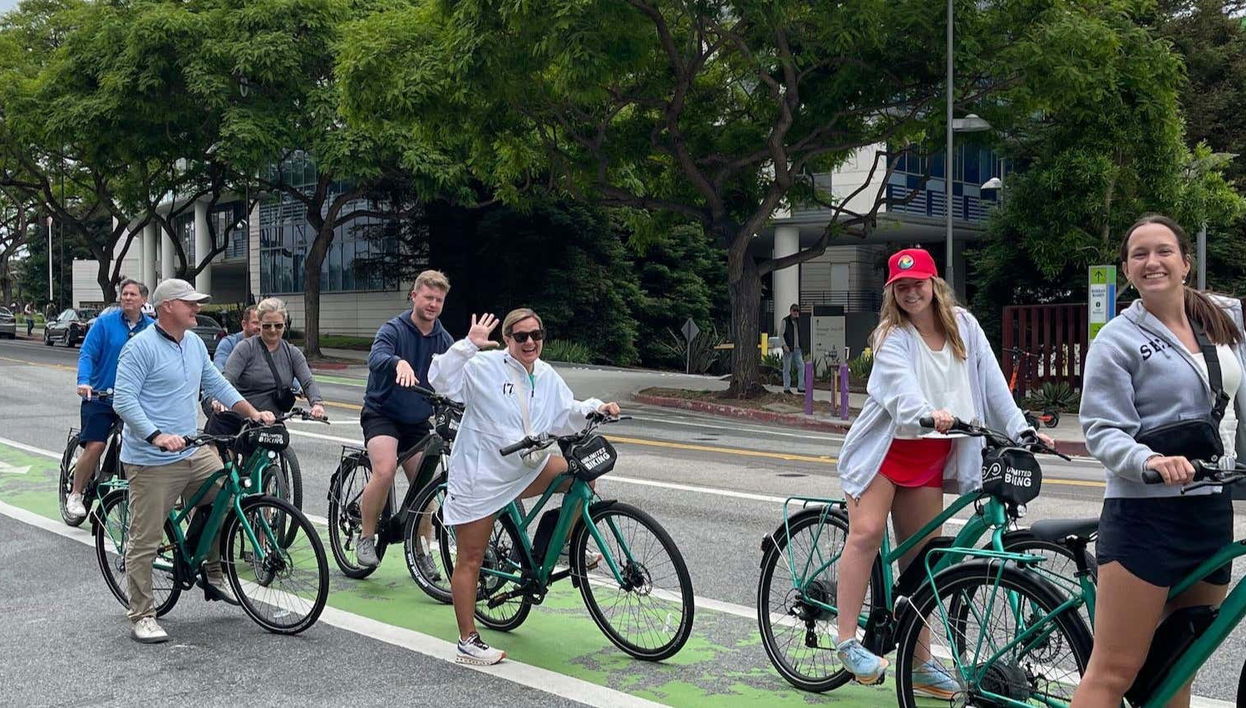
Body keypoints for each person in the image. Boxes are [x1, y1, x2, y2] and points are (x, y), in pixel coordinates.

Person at [832, 248, 1052, 696]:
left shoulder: (964, 326)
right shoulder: (892, 336)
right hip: (885, 455)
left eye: (919, 283)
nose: (912, 292)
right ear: (893, 292)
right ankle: (846, 641)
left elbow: (992, 384)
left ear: (935, 284)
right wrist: (926, 414)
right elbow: (899, 389)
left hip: (928, 459)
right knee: (867, 532)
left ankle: (920, 664)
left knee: (924, 566)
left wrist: (1023, 431)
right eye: (902, 286)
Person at [1073, 215, 1246, 708]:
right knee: (1114, 671)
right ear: (1127, 270)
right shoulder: (1116, 340)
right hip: (1145, 515)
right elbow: (1101, 429)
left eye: (1164, 251)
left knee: (1179, 666)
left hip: (1210, 510)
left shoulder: (1221, 324)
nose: (1153, 262)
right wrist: (1148, 460)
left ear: (1185, 262)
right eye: (1140, 254)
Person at [428, 308, 619, 666]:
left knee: (584, 474)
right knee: (470, 557)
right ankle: (467, 639)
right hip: (483, 475)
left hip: (527, 466)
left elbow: (567, 412)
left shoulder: (545, 374)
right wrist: (467, 346)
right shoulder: (483, 367)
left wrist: (598, 409)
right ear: (507, 340)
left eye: (536, 334)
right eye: (521, 336)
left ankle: (560, 545)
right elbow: (441, 380)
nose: (530, 342)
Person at [113, 278, 275, 644]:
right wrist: (156, 435)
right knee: (145, 539)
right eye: (191, 303)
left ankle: (212, 571)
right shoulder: (140, 348)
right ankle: (142, 613)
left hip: (191, 449)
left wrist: (252, 412)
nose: (197, 308)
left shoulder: (194, 345)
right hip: (152, 458)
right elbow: (123, 401)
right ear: (168, 306)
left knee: (225, 494)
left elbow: (217, 384)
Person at [354, 270, 455, 570]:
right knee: (384, 471)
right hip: (382, 414)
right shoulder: (393, 329)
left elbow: (454, 378)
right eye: (428, 297)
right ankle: (366, 537)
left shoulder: (444, 339)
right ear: (414, 296)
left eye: (439, 299)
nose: (433, 304)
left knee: (425, 487)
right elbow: (376, 357)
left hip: (416, 422)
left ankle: (422, 550)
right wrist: (398, 362)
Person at [65, 279, 154, 521]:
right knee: (96, 445)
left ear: (143, 300)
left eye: (133, 294)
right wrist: (84, 381)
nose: (127, 298)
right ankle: (75, 493)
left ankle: (129, 495)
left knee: (139, 445)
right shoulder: (105, 323)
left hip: (133, 401)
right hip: (101, 397)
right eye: (124, 294)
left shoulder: (152, 328)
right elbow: (88, 354)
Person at [208, 297, 325, 434]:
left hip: (272, 421)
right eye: (267, 326)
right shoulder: (245, 348)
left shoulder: (292, 353)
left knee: (282, 444)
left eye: (278, 325)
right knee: (220, 449)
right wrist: (220, 400)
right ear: (260, 325)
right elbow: (228, 378)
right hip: (239, 419)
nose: (273, 330)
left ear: (285, 325)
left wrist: (317, 404)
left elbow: (307, 381)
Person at [213, 305, 259, 371]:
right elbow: (220, 370)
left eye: (262, 323)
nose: (260, 327)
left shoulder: (271, 345)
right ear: (244, 324)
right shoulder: (229, 344)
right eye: (255, 323)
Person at [781, 303, 805, 394]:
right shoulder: (785, 321)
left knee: (801, 366)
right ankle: (786, 388)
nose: (796, 312)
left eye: (797, 311)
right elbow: (781, 334)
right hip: (788, 348)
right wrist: (784, 345)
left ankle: (801, 387)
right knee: (787, 368)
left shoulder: (798, 321)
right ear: (790, 311)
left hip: (797, 348)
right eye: (794, 310)